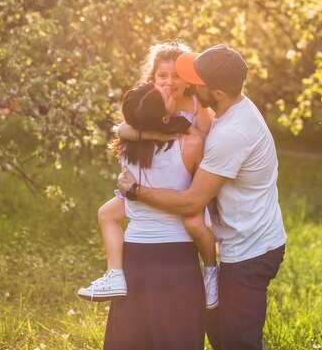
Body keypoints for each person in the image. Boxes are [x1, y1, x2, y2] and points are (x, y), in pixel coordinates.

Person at [117, 44, 287, 350]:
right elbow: (128, 128)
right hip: (242, 239)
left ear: (218, 93)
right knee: (217, 329)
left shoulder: (231, 134)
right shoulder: (230, 109)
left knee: (238, 341)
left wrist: (135, 191)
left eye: (197, 81)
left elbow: (192, 202)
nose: (190, 84)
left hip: (250, 249)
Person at [77, 42, 219, 308]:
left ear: (188, 79)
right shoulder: (150, 102)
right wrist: (156, 133)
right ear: (152, 78)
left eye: (176, 76)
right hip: (152, 183)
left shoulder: (196, 105)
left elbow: (204, 142)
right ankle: (114, 273)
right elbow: (123, 130)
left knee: (193, 224)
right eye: (162, 76)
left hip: (189, 180)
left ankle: (211, 270)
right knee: (106, 214)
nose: (169, 82)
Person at [103, 82, 206, 350]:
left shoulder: (125, 146)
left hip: (134, 255)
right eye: (165, 95)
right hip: (177, 258)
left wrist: (154, 131)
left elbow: (126, 127)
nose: (169, 90)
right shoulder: (192, 144)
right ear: (162, 117)